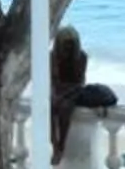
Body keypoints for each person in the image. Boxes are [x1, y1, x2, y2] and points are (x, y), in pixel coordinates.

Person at [49, 24, 115, 159]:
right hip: (60, 90)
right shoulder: (52, 57)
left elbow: (80, 82)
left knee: (66, 107)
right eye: (66, 44)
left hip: (74, 91)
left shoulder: (81, 57)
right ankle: (54, 144)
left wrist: (67, 93)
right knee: (51, 107)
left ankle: (61, 144)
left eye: (71, 44)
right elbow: (54, 82)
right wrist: (59, 94)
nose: (68, 47)